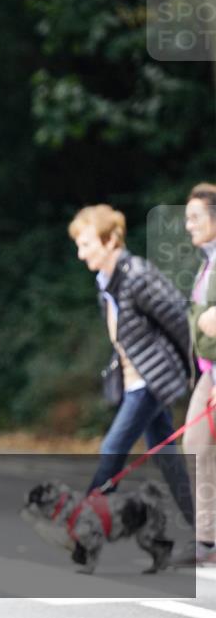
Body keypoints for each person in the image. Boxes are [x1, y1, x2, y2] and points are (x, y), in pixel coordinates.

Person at [68, 204, 196, 558]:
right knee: (167, 458)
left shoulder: (137, 275)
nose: (81, 254)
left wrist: (194, 372)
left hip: (151, 381)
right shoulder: (106, 283)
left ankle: (84, 534)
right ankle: (206, 533)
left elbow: (179, 319)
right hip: (135, 381)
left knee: (112, 450)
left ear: (111, 241)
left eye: (86, 244)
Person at [179, 183, 216, 565]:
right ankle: (207, 540)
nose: (188, 225)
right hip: (208, 372)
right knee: (197, 443)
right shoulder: (208, 260)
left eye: (195, 217)